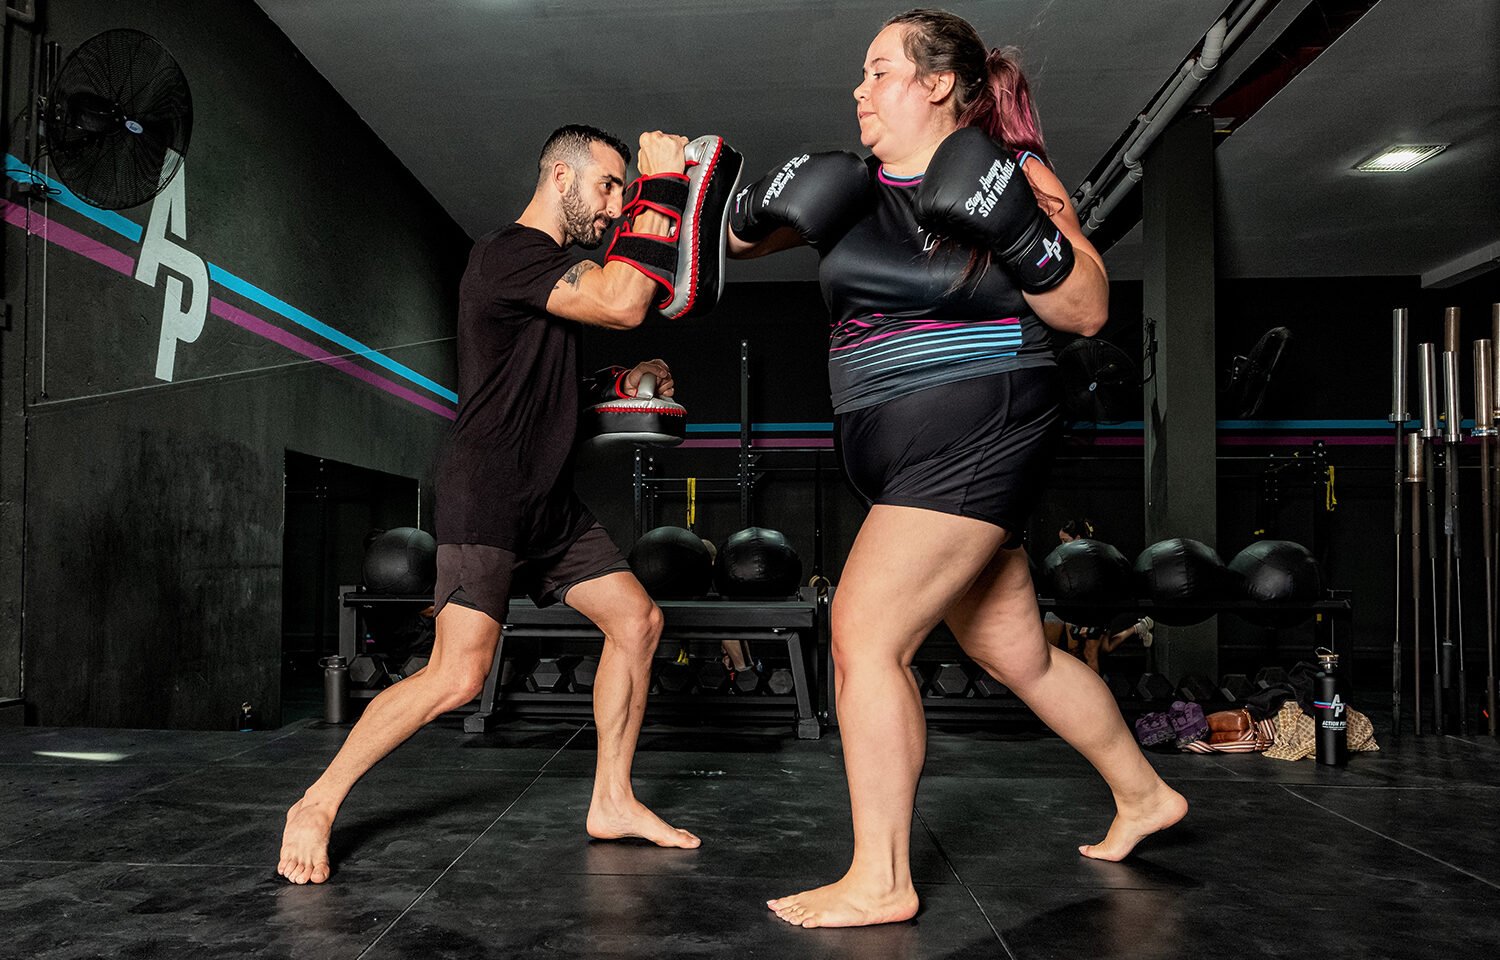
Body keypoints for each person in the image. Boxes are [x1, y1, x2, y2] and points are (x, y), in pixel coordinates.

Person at [727, 9, 1187, 927]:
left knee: (864, 636)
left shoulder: (1015, 174)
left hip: (978, 430)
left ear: (937, 83)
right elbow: (735, 246)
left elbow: (1088, 309)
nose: (859, 90)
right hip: (892, 450)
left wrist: (1018, 226)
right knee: (1014, 650)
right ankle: (1145, 794)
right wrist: (729, 201)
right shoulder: (849, 190)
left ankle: (882, 879)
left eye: (879, 71)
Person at [278, 124, 702, 885]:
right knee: (457, 676)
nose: (614, 206)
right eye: (608, 185)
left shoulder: (553, 271)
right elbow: (623, 301)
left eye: (623, 190)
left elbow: (539, 382)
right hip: (490, 491)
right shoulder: (507, 253)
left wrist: (622, 379)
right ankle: (315, 802)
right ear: (560, 177)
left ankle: (611, 799)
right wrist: (664, 184)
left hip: (547, 500)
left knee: (638, 621)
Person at [1048, 519, 1154, 673]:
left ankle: (1091, 689)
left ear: (1077, 538)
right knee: (1098, 649)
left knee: (1090, 653)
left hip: (1094, 608)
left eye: (1065, 540)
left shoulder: (1094, 556)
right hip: (1073, 606)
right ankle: (1138, 628)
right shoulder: (1065, 557)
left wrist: (1088, 621)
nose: (1061, 545)